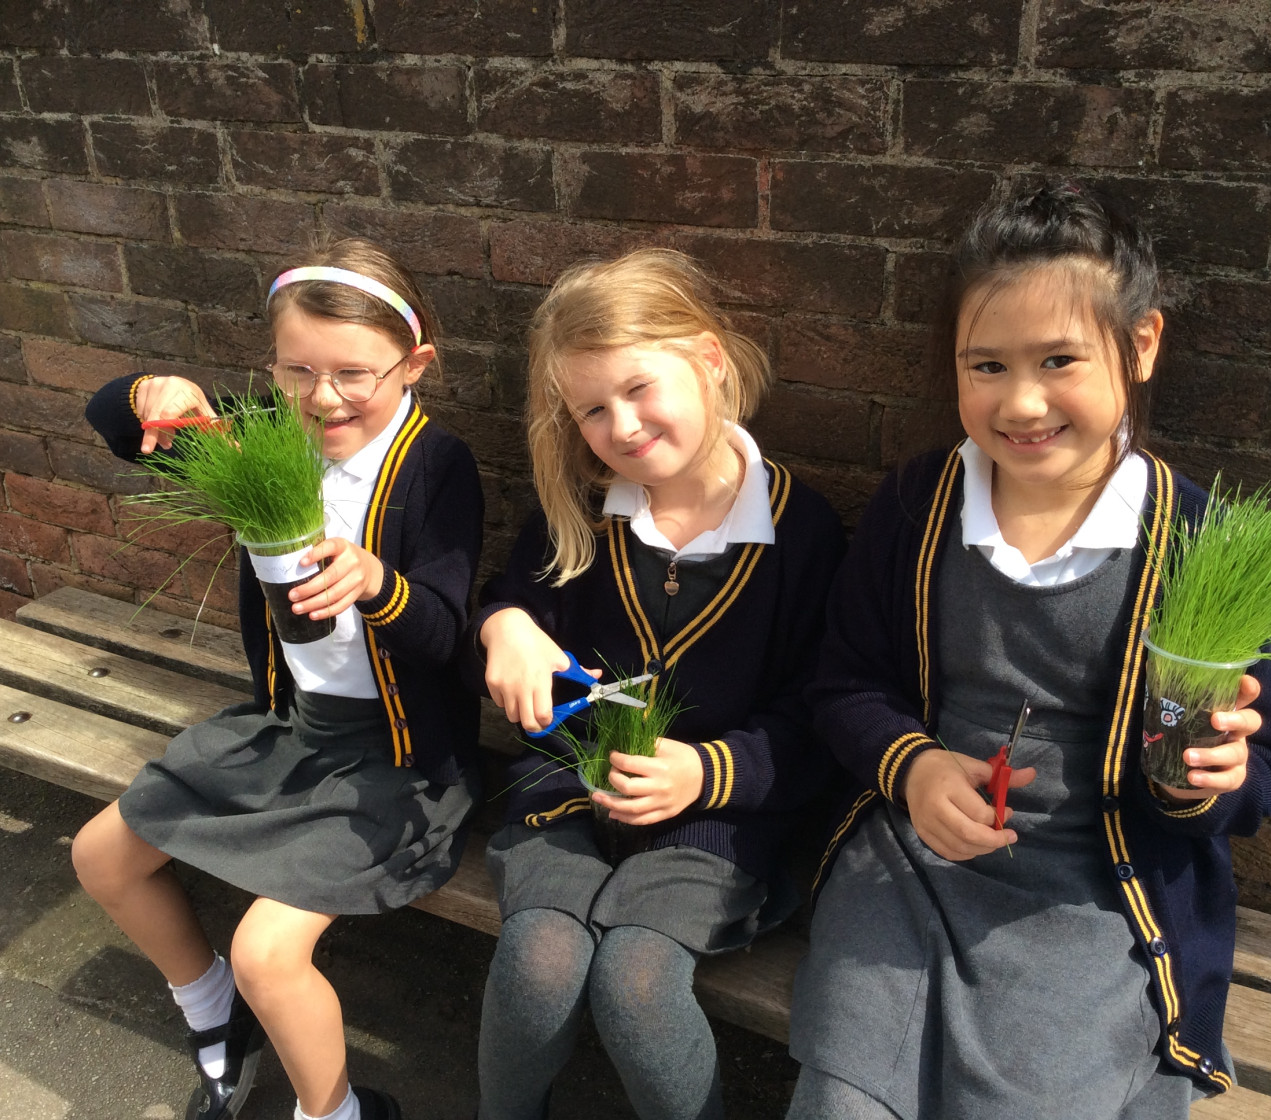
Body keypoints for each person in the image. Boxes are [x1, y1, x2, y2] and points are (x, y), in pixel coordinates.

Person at [786, 184, 1271, 1120]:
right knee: (842, 1096)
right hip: (910, 866)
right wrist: (913, 767)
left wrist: (1210, 780)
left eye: (1060, 359)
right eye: (986, 366)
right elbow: (844, 682)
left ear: (1140, 345)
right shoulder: (918, 505)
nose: (1021, 403)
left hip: (1094, 894)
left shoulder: (1197, 543)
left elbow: (1262, 772)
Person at [73, 238, 484, 1120]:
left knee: (268, 953)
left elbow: (448, 632)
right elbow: (112, 422)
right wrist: (151, 393)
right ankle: (211, 1009)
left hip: (400, 763)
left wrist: (377, 584)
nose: (323, 397)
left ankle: (334, 1112)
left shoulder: (435, 466)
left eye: (354, 373)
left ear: (414, 366)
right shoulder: (260, 433)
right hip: (292, 731)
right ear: (273, 367)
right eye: (298, 370)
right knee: (100, 857)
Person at [470, 248, 845, 1120]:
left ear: (709, 361)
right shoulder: (577, 511)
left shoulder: (803, 532)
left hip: (715, 822)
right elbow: (507, 609)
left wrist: (708, 772)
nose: (624, 426)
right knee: (539, 959)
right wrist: (504, 628)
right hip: (567, 792)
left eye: (640, 389)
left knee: (637, 981)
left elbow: (821, 717)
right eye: (593, 410)